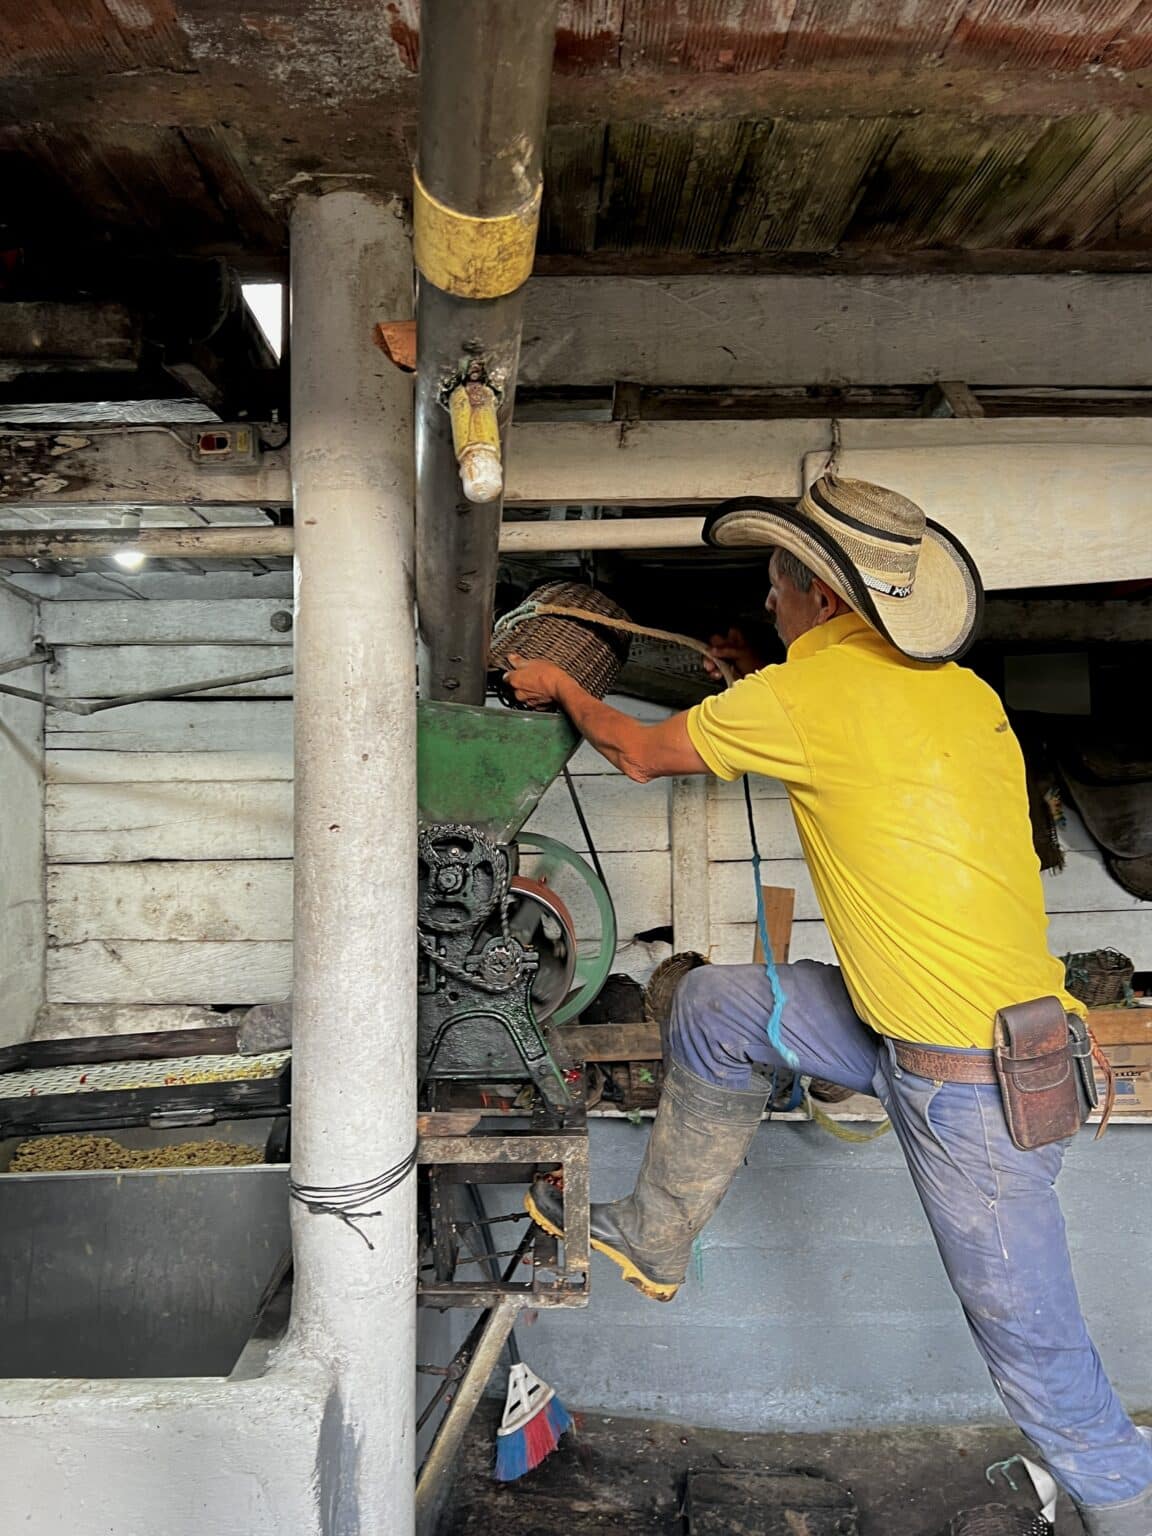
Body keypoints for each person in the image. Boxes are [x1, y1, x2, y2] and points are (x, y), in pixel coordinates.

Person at [503, 476, 1152, 1536]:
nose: (766, 603)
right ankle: (657, 1237)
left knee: (1033, 1353)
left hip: (976, 1085)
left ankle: (1126, 1505)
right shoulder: (955, 693)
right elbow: (859, 749)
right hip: (918, 1038)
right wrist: (757, 680)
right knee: (714, 1003)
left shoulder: (805, 703)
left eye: (774, 587)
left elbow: (632, 751)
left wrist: (560, 688)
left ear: (819, 594)